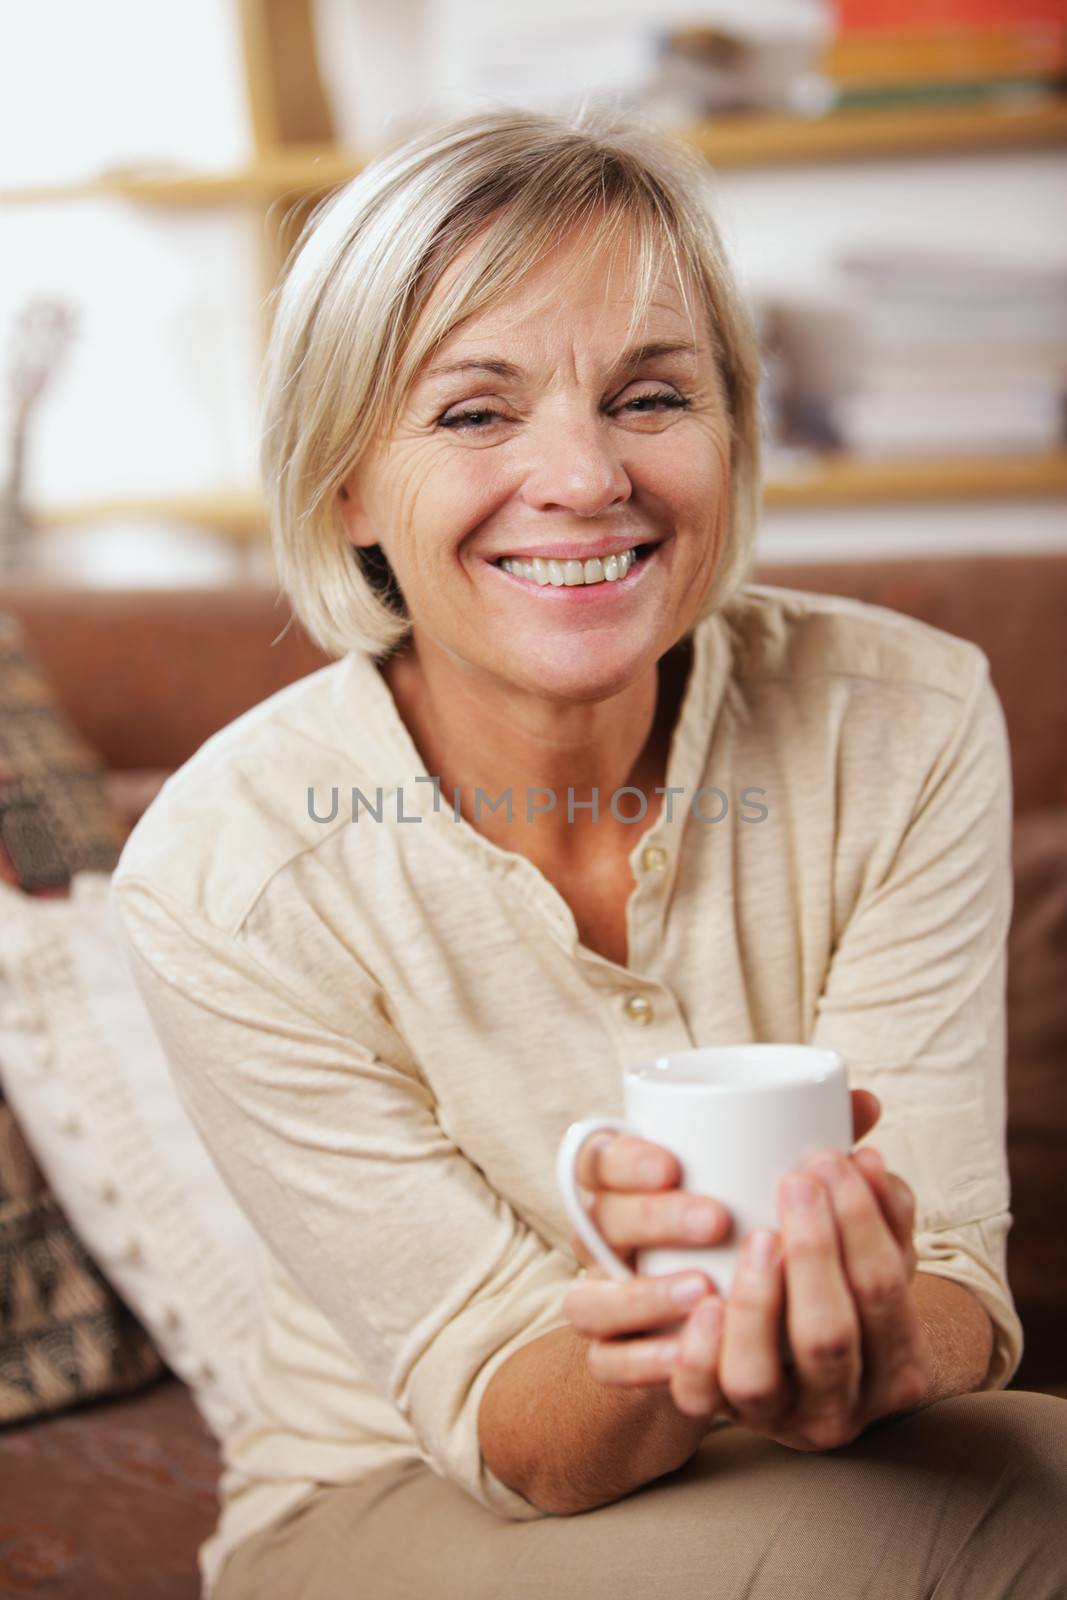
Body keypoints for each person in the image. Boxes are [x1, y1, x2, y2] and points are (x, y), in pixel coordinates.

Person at [110, 106, 1067, 1600]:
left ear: (731, 428)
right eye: (476, 413)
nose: (583, 479)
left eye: (650, 397)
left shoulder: (911, 722)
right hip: (404, 1503)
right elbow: (507, 1417)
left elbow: (950, 1274)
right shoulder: (225, 877)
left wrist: (879, 1330)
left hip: (827, 1474)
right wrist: (685, 1334)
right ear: (347, 482)